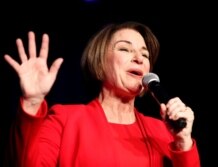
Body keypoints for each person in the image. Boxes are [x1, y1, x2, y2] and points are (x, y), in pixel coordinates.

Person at [3, 21, 200, 167]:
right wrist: (32, 102)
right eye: (125, 49)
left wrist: (183, 143)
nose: (139, 58)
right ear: (100, 62)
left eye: (145, 54)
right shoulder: (65, 119)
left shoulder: (163, 132)